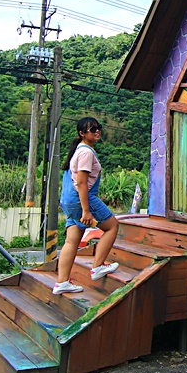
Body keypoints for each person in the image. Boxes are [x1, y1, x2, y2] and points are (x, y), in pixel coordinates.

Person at [53, 116, 119, 295]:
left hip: (68, 200)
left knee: (71, 241)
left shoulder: (79, 151)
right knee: (112, 226)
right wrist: (86, 210)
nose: (97, 131)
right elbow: (82, 183)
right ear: (82, 134)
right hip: (82, 198)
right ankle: (98, 267)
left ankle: (62, 282)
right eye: (92, 129)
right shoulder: (86, 152)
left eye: (98, 128)